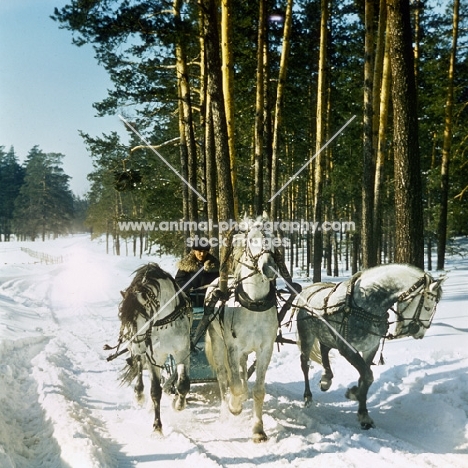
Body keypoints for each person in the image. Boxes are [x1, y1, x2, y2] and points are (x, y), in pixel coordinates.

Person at [175, 239, 220, 306]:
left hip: (211, 299)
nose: (202, 254)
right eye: (199, 251)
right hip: (191, 299)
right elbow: (179, 281)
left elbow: (219, 280)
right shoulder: (185, 264)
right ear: (194, 251)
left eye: (204, 252)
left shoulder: (215, 264)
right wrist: (188, 289)